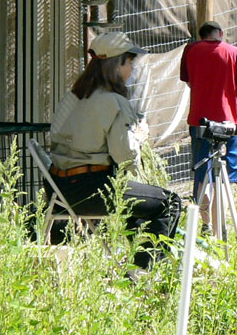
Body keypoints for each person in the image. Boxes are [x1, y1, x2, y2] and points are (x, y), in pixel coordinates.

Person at [48, 31, 181, 269]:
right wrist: (138, 137)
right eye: (129, 63)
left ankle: (136, 269)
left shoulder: (72, 98)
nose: (132, 70)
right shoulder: (114, 102)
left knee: (140, 206)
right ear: (115, 65)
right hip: (92, 190)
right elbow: (125, 157)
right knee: (169, 203)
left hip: (57, 189)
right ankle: (143, 275)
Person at [180, 20, 237, 233]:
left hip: (199, 123)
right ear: (220, 33)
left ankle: (206, 224)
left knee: (202, 175)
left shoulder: (190, 51)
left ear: (201, 36)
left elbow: (189, 82)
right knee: (222, 180)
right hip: (228, 124)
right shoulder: (235, 53)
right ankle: (219, 229)